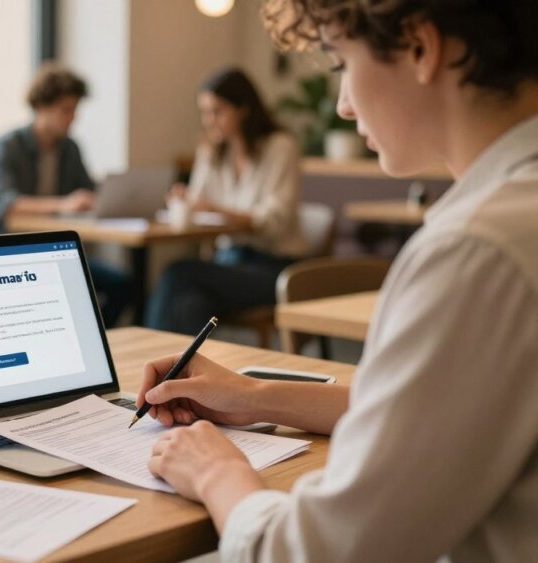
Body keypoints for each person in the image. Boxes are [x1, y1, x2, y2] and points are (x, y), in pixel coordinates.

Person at [139, 0, 538, 560]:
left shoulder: (477, 252)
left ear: (421, 48)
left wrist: (216, 473)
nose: (345, 106)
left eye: (340, 64)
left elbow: (317, 552)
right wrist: (254, 396)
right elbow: (435, 414)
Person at [144, 68, 306, 335]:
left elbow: (275, 221)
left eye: (217, 111)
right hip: (227, 264)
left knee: (178, 273)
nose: (209, 121)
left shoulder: (281, 146)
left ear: (243, 108)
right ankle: (178, 374)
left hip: (272, 268)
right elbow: (199, 203)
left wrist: (214, 209)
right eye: (205, 112)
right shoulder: (211, 150)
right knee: (189, 304)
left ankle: (146, 362)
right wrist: (184, 204)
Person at [0, 64, 131, 327]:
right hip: (7, 255)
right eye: (65, 110)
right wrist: (65, 203)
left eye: (75, 110)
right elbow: (4, 203)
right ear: (40, 107)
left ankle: (93, 342)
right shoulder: (7, 146)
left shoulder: (69, 148)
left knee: (122, 284)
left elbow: (87, 191)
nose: (73, 118)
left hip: (54, 253)